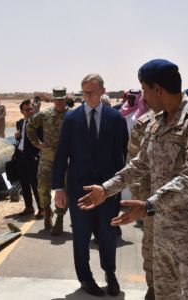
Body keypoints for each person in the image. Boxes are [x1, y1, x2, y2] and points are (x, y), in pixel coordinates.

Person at [78, 59, 188, 299]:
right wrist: (106, 189)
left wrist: (149, 205)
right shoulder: (156, 122)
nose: (143, 98)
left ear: (157, 89)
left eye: (144, 90)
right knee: (164, 293)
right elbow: (141, 163)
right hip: (163, 230)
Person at [52, 74, 128, 297]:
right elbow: (61, 155)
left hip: (107, 189)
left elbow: (123, 155)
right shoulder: (72, 119)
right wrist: (59, 188)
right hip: (78, 190)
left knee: (107, 233)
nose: (88, 96)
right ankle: (85, 278)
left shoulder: (116, 119)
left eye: (92, 92)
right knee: (81, 236)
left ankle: (110, 274)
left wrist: (118, 187)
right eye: (84, 92)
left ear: (103, 91)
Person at [27, 87, 69, 235]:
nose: (59, 102)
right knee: (42, 187)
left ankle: (60, 218)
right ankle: (46, 211)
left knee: (63, 189)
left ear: (66, 99)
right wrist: (37, 143)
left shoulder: (72, 115)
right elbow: (30, 126)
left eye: (61, 99)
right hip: (47, 158)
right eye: (56, 99)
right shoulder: (45, 115)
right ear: (53, 100)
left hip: (65, 160)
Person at [126, 109, 155, 299]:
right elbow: (133, 159)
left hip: (183, 201)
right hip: (149, 197)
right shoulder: (143, 123)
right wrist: (137, 193)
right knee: (151, 243)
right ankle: (152, 287)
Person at [14, 99, 43, 218]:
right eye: (27, 110)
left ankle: (41, 209)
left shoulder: (38, 124)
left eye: (31, 109)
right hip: (21, 156)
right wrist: (17, 136)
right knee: (24, 183)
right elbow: (21, 139)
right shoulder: (20, 123)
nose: (30, 111)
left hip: (32, 157)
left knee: (35, 184)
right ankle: (29, 207)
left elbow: (42, 140)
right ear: (22, 111)